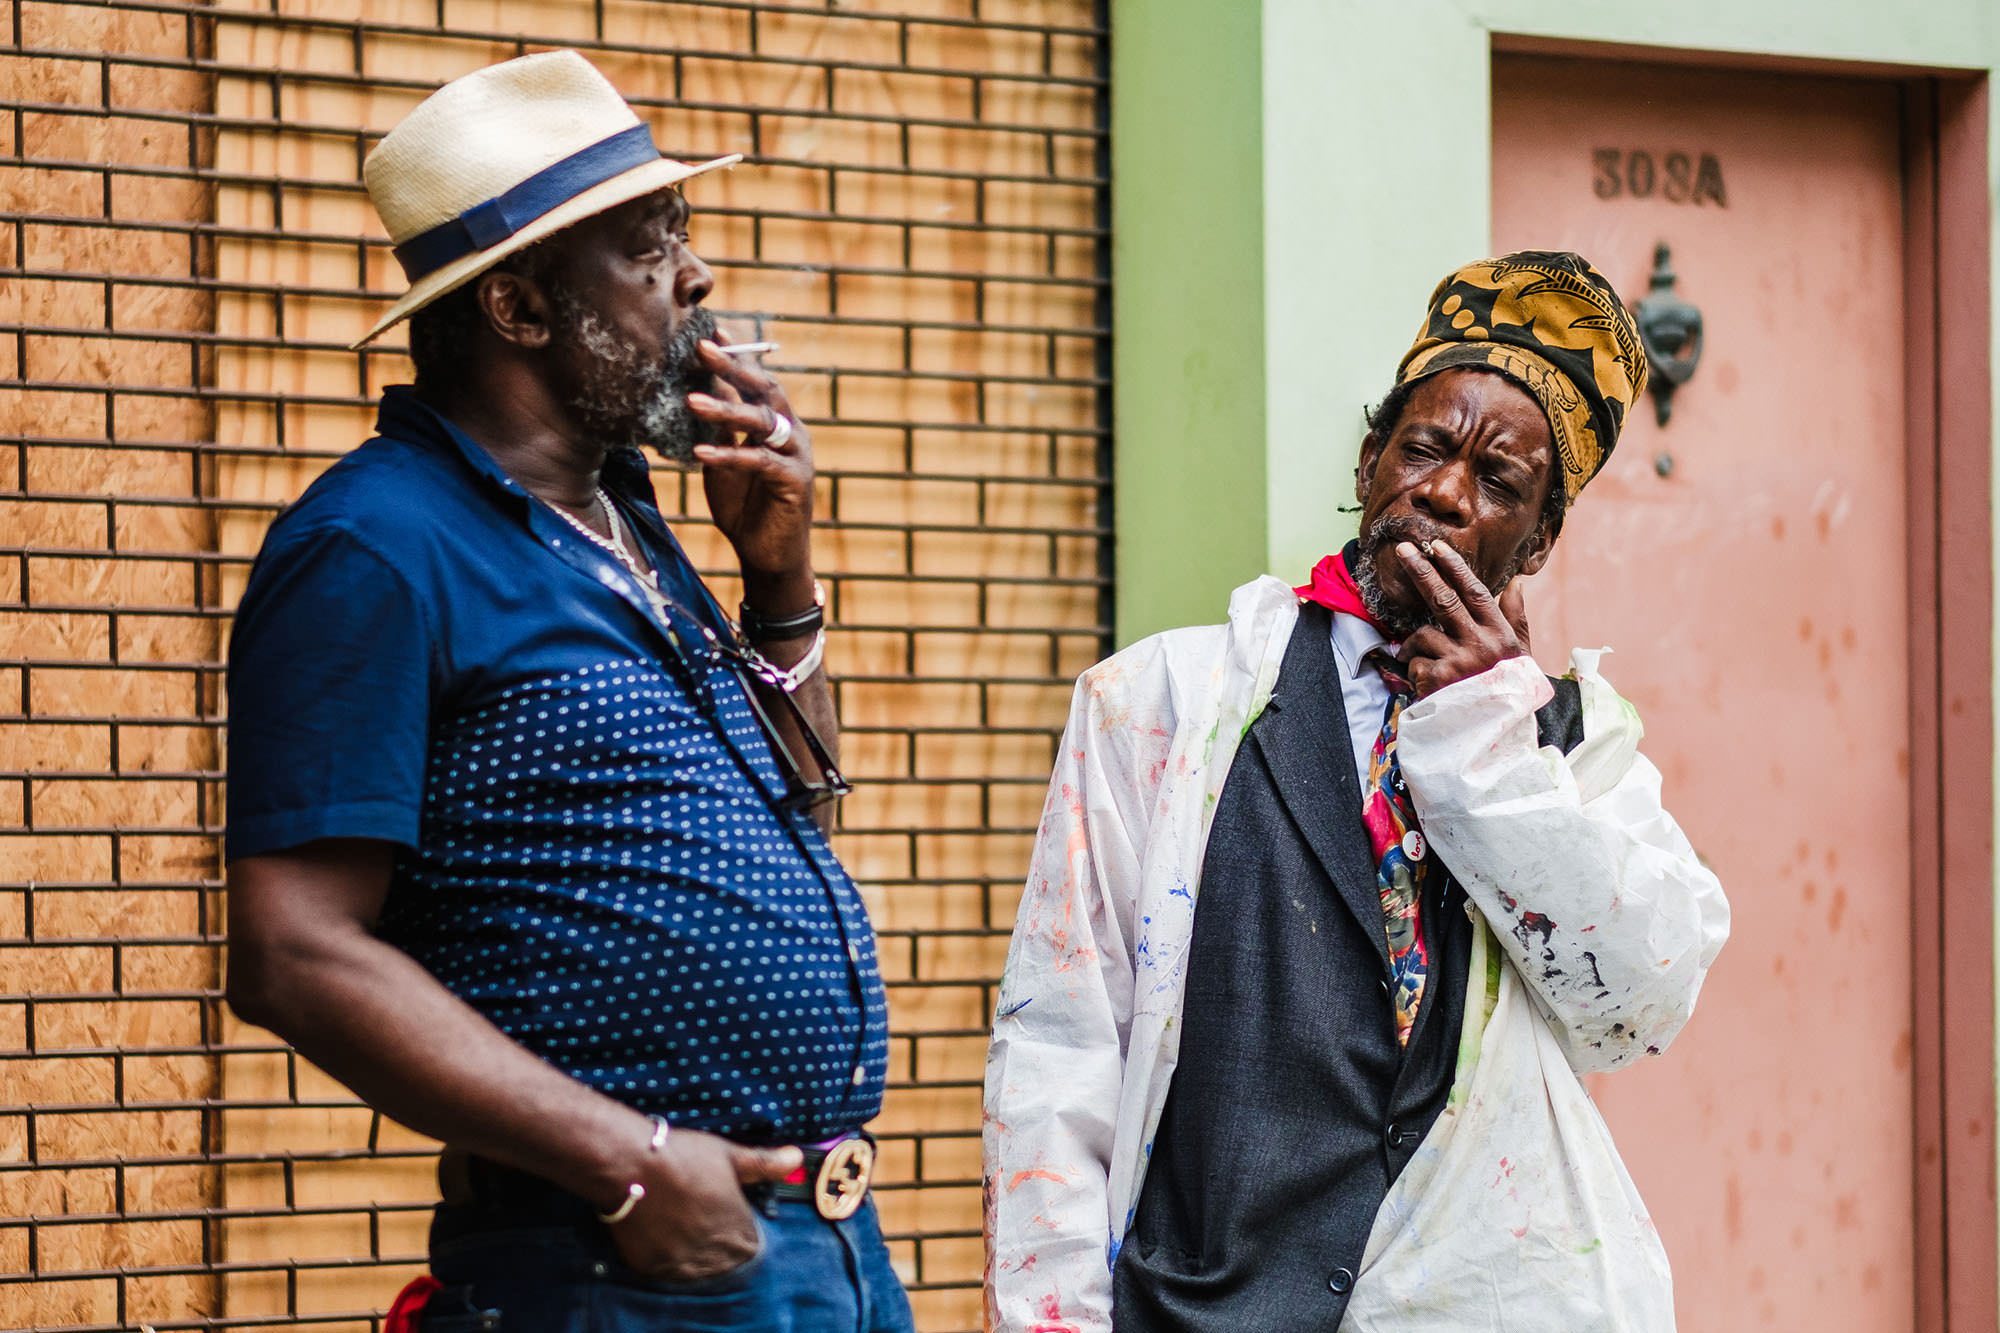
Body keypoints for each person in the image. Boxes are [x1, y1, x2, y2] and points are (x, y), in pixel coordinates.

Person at [223, 51, 915, 1332]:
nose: (696, 279)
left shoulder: (631, 525)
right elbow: (292, 953)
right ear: (524, 308)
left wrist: (778, 579)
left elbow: (811, 808)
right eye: (650, 248)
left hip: (824, 1250)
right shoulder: (374, 548)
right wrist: (635, 1161)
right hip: (620, 1265)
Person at [983, 252, 1731, 1331]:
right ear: (1370, 455)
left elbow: (1635, 1004)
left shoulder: (1576, 744)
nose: (1440, 492)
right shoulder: (1160, 701)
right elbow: (1058, 1046)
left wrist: (1486, 747)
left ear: (1540, 539)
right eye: (1421, 447)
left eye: (1497, 482)